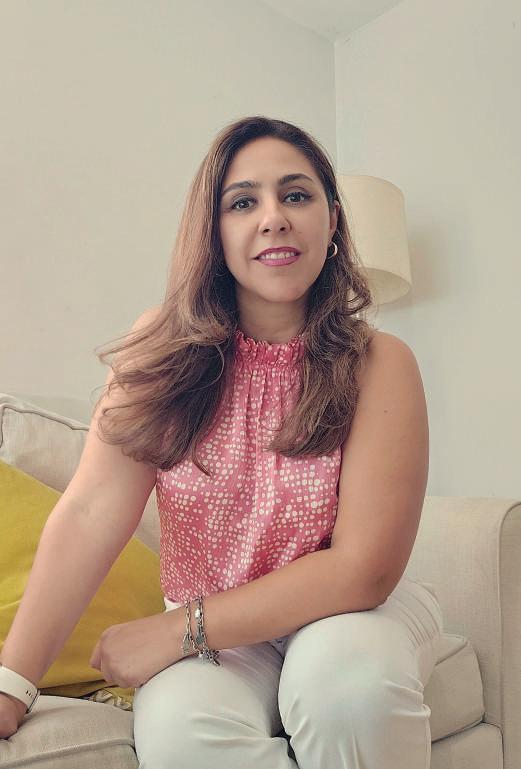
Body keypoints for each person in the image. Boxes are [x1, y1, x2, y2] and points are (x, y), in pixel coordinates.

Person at [0, 115, 443, 769]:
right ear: (212, 231)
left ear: (332, 221)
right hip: (222, 636)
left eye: (296, 195)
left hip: (347, 612)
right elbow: (91, 512)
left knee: (348, 688)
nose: (273, 218)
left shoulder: (380, 361)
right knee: (182, 736)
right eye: (242, 202)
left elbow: (363, 570)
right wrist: (12, 682)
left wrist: (178, 629)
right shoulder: (160, 352)